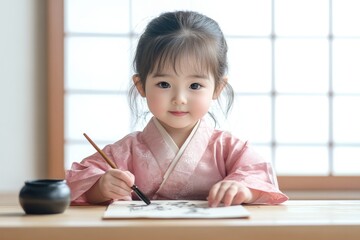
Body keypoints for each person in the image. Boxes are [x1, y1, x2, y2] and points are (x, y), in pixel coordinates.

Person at [65, 11, 288, 207]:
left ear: (217, 88)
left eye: (195, 86)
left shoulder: (228, 149)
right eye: (164, 84)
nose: (179, 99)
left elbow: (259, 176)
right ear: (141, 85)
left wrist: (242, 189)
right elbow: (76, 181)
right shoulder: (127, 151)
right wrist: (101, 187)